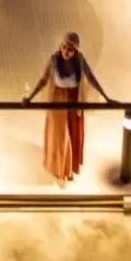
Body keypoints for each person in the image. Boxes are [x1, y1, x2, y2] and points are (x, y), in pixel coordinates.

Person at [22, 31, 112, 187]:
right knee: (61, 138)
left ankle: (68, 168)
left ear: (76, 50)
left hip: (74, 103)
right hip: (58, 104)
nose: (66, 51)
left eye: (70, 49)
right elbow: (44, 79)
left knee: (71, 136)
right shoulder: (54, 60)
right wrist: (30, 98)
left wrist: (106, 97)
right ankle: (61, 170)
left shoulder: (80, 61)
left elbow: (90, 78)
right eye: (64, 47)